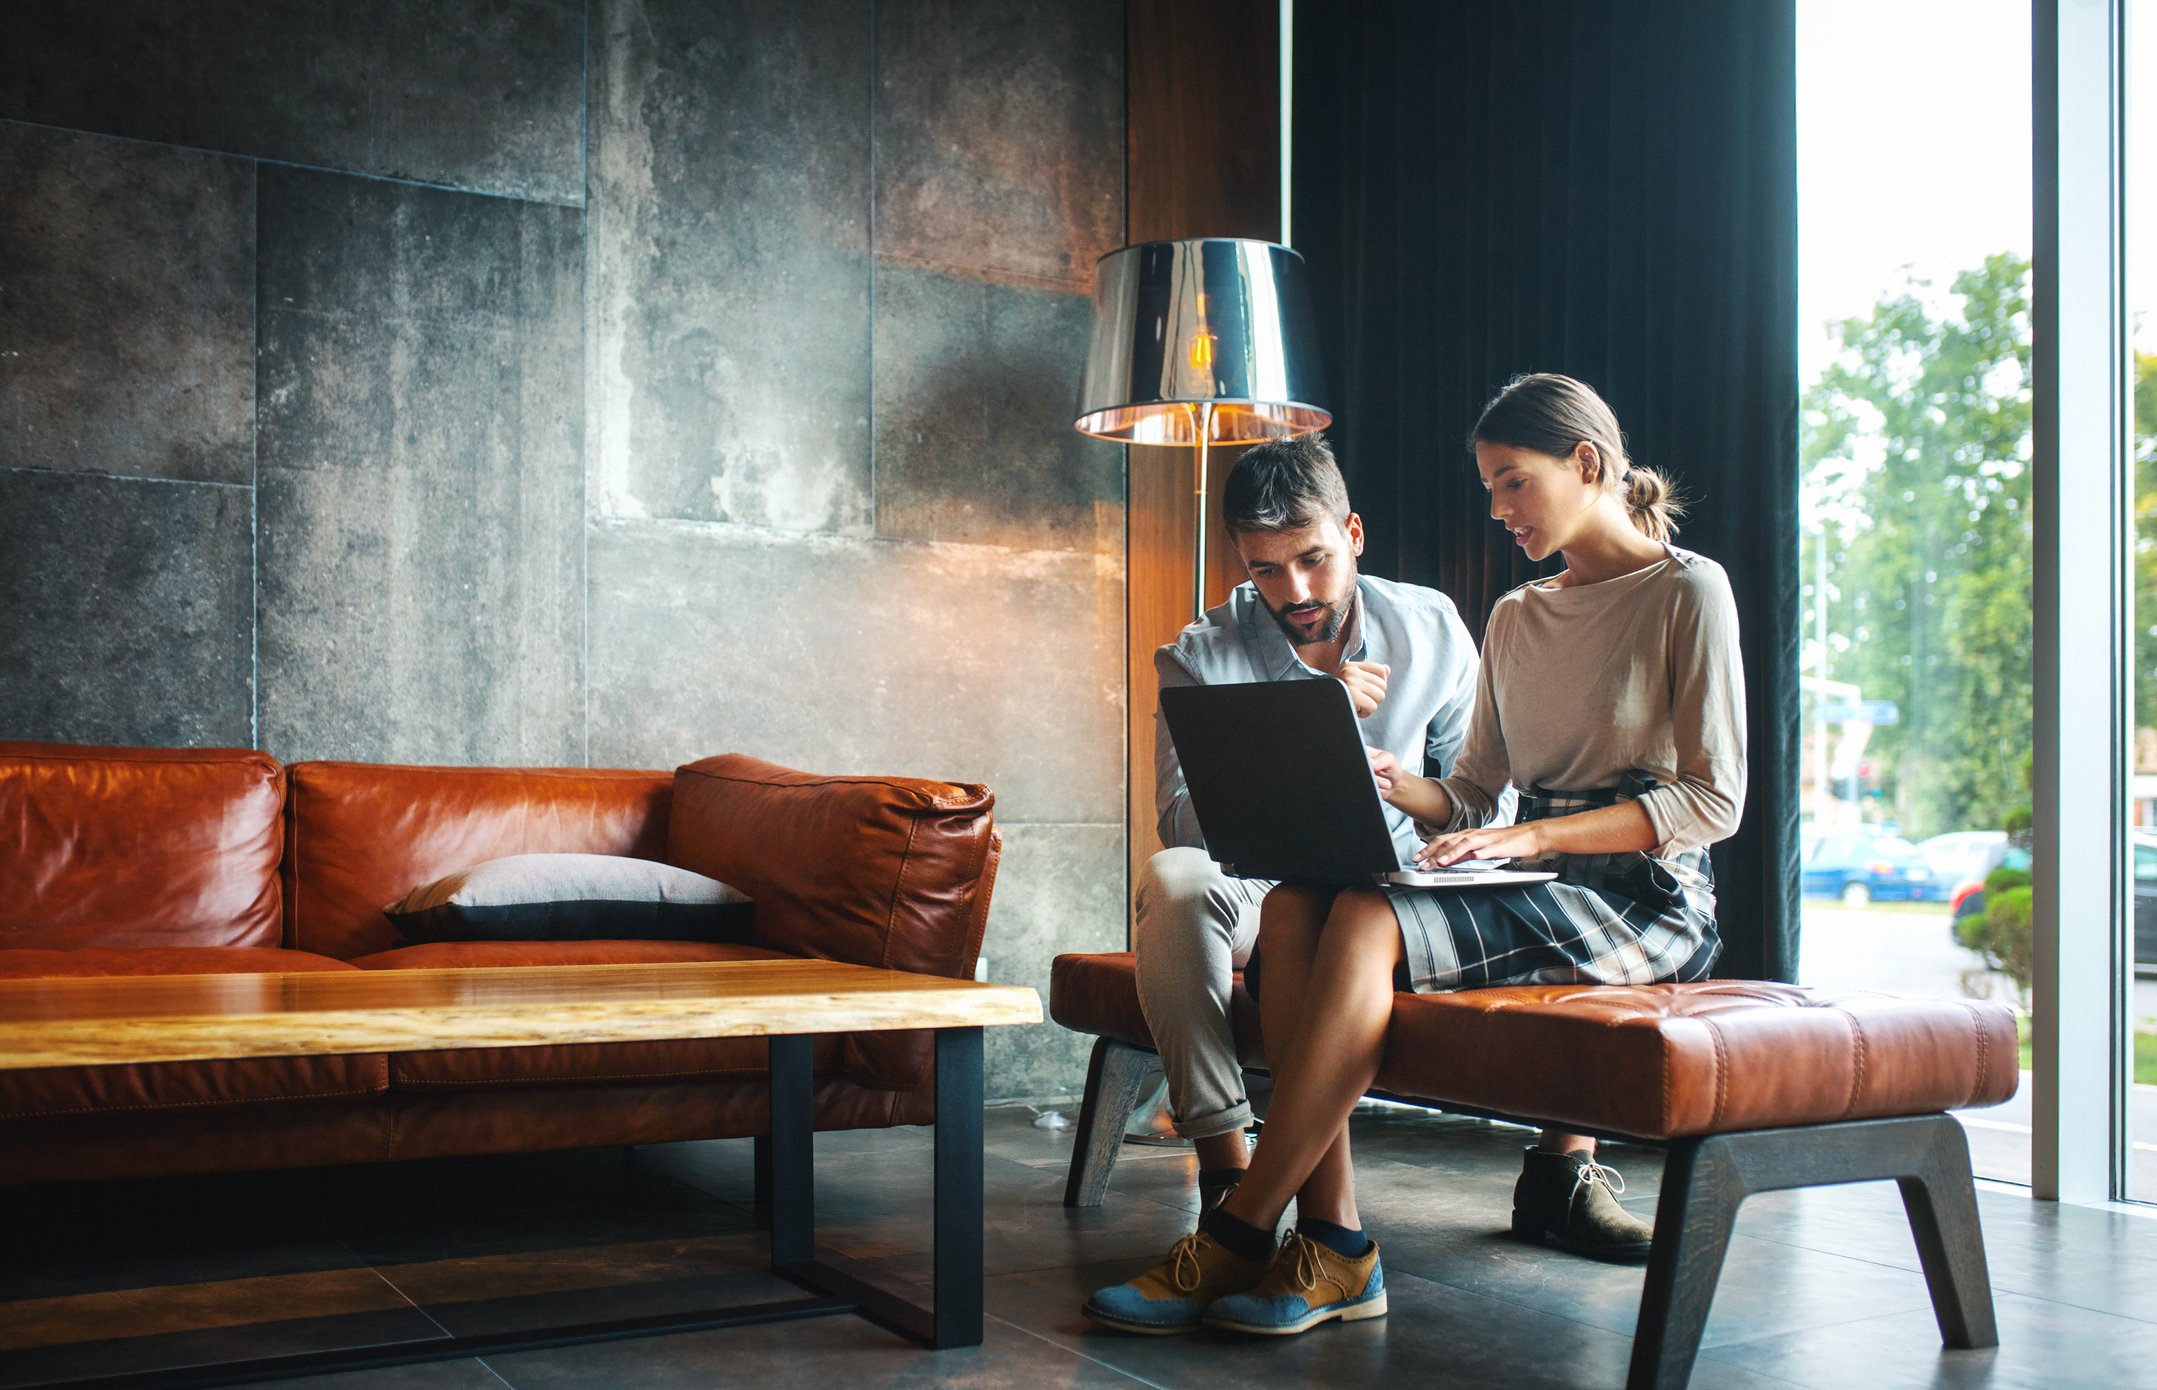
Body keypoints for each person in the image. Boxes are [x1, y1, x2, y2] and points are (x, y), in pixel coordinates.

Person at [1086, 373, 1746, 1338]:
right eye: (1490, 487)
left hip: (1642, 890)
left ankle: (1240, 1228)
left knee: (1357, 909)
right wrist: (1383, 776)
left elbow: (1711, 802)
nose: (1496, 509)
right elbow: (1470, 794)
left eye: (1511, 483)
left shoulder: (1689, 589)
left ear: (1587, 465)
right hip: (1530, 869)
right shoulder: (1518, 613)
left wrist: (1528, 835)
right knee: (1303, 905)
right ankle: (1331, 1245)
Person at [1131, 433, 1483, 1225]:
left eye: (1313, 559)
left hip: (1391, 882)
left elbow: (1484, 802)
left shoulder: (1432, 627)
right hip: (1261, 880)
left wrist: (1406, 790)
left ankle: (1312, 1228)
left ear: (1351, 535)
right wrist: (1306, 711)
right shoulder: (1198, 654)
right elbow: (1179, 821)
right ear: (1240, 561)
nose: (1293, 590)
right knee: (1172, 882)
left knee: (1349, 906)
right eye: (1264, 570)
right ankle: (1226, 1167)